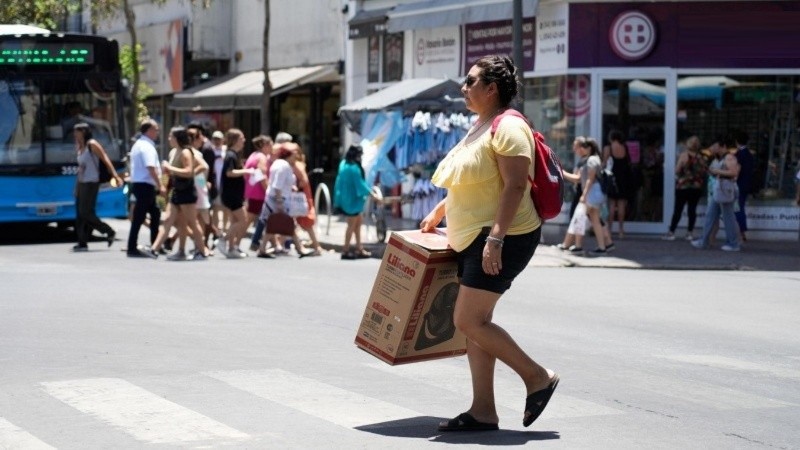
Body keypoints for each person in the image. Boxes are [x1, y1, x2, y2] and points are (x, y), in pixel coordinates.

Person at [420, 55, 558, 432]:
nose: (464, 88)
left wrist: (496, 237)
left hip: (503, 237)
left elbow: (514, 186)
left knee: (467, 319)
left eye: (470, 81)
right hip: (475, 237)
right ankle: (483, 411)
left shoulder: (509, 127)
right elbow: (478, 181)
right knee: (477, 324)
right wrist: (440, 210)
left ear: (491, 88)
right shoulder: (480, 126)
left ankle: (537, 377)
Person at [71, 122, 124, 252]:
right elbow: (81, 169)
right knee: (80, 214)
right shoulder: (80, 147)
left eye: (77, 132)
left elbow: (105, 159)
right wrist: (76, 187)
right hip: (82, 183)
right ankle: (82, 242)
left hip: (91, 183)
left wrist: (115, 176)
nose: (75, 134)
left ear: (83, 132)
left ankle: (109, 231)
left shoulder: (92, 144)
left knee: (86, 212)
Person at [255, 143, 312, 258]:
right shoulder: (284, 166)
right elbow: (277, 185)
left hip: (272, 198)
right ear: (288, 155)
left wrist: (290, 187)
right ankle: (299, 248)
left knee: (272, 225)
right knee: (289, 224)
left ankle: (262, 248)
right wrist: (280, 201)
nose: (295, 158)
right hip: (278, 200)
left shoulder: (278, 163)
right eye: (293, 155)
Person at [557, 137, 611, 255]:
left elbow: (589, 180)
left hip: (591, 193)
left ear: (589, 148)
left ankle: (578, 246)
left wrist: (584, 195)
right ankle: (602, 247)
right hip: (594, 194)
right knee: (595, 220)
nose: (579, 150)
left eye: (583, 147)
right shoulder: (591, 159)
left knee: (579, 217)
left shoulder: (591, 160)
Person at [692, 137, 741, 251]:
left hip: (725, 190)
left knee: (728, 217)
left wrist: (717, 171)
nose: (712, 148)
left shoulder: (729, 157)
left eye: (715, 146)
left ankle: (733, 243)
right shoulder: (719, 158)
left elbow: (734, 172)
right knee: (710, 214)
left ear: (722, 146)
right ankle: (704, 240)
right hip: (719, 190)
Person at [126, 119, 164, 258]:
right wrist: (161, 185)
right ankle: (132, 247)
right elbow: (150, 167)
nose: (157, 132)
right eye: (156, 129)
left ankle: (155, 245)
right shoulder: (146, 146)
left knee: (155, 215)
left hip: (143, 185)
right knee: (139, 217)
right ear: (148, 130)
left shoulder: (140, 144)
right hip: (145, 186)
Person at [333, 145, 375, 260]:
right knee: (351, 226)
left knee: (357, 225)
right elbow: (360, 184)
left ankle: (359, 248)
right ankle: (345, 250)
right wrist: (372, 194)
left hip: (345, 198)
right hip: (352, 201)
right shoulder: (353, 168)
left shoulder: (343, 164)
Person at [663, 135, 707, 241]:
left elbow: (677, 170)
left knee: (678, 210)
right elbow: (704, 171)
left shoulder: (684, 155)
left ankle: (671, 232)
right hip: (696, 187)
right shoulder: (701, 157)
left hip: (683, 186)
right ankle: (689, 233)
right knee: (692, 210)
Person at [217, 128, 252, 258]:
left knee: (234, 221)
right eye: (242, 138)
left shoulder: (234, 155)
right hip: (232, 194)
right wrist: (247, 171)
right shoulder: (231, 155)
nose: (244, 141)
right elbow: (229, 173)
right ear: (236, 140)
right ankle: (223, 240)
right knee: (243, 220)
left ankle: (232, 249)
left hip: (233, 194)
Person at [292, 144, 324, 256]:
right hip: (300, 196)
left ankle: (316, 246)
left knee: (306, 223)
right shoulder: (298, 164)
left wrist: (294, 187)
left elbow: (304, 181)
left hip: (300, 197)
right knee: (295, 222)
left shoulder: (297, 165)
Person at [602, 130, 633, 238]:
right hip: (623, 178)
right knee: (621, 205)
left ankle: (609, 230)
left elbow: (604, 163)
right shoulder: (624, 147)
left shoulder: (608, 148)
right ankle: (621, 230)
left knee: (611, 205)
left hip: (612, 178)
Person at [244, 135, 272, 252]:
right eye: (270, 144)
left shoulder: (253, 155)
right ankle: (232, 241)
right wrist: (268, 191)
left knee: (264, 219)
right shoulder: (261, 157)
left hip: (252, 192)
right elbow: (262, 175)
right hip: (259, 194)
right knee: (248, 219)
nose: (272, 147)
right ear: (264, 145)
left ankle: (260, 243)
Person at [734, 130, 754, 242]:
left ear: (737, 141)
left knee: (737, 208)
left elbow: (737, 171)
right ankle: (741, 231)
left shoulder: (739, 155)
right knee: (739, 207)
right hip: (746, 184)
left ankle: (741, 231)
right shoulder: (749, 154)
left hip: (738, 184)